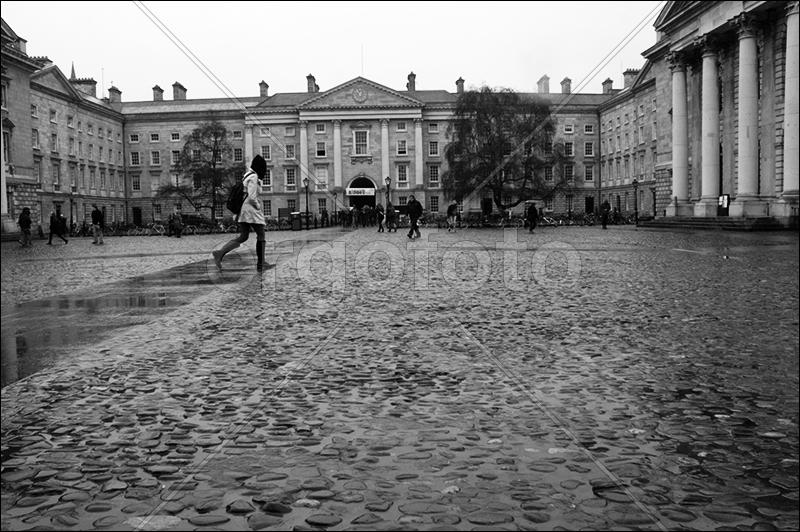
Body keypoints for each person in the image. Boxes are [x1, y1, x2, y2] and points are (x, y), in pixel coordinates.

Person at [212, 155, 268, 272]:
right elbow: (252, 197)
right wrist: (258, 207)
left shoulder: (247, 175)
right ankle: (261, 263)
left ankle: (220, 253)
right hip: (250, 210)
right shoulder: (254, 177)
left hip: (243, 210)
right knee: (261, 235)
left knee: (244, 236)